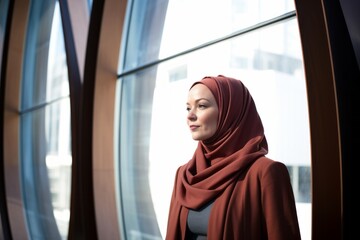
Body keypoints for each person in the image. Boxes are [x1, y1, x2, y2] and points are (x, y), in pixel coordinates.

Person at [165, 75, 301, 239]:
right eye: (188, 108)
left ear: (230, 112)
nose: (190, 116)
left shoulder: (265, 173)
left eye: (201, 106)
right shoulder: (185, 175)